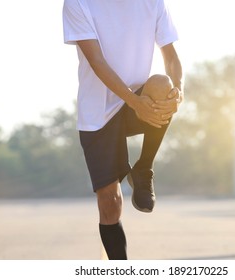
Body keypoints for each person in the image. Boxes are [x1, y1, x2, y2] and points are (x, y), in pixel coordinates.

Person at [62, 0, 183, 260]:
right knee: (110, 202)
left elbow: (170, 57)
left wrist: (179, 91)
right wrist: (133, 101)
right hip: (99, 112)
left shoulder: (153, 3)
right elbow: (96, 60)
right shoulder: (78, 3)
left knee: (163, 85)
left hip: (139, 98)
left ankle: (143, 168)